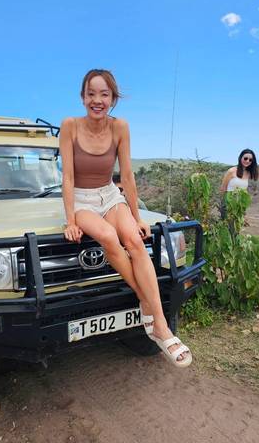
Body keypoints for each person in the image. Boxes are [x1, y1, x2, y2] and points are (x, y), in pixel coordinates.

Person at [59, 69, 192, 368]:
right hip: (81, 200)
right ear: (82, 98)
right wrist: (70, 220)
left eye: (104, 94)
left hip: (110, 195)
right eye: (91, 94)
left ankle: (157, 321)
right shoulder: (69, 126)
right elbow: (67, 176)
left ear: (113, 98)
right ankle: (156, 316)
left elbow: (128, 175)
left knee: (134, 237)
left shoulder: (121, 128)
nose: (97, 100)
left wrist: (136, 215)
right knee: (107, 235)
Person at [220, 149, 259, 218]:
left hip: (239, 205)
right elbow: (223, 188)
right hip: (229, 203)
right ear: (240, 157)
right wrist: (224, 205)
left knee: (237, 226)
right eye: (245, 158)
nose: (247, 161)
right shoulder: (231, 171)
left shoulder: (248, 173)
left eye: (250, 160)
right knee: (228, 226)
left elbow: (244, 190)